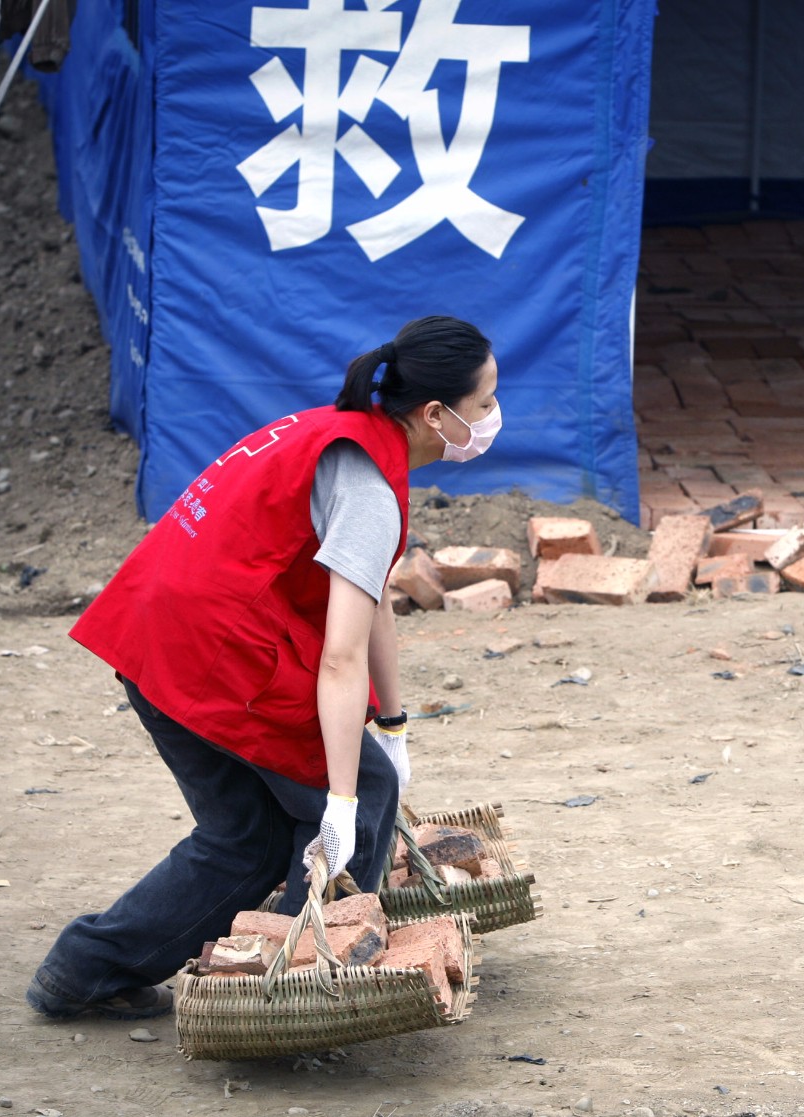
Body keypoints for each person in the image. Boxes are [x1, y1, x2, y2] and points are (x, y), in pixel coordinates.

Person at [25, 315, 502, 1021]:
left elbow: (371, 602)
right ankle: (307, 996)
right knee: (362, 790)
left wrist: (395, 724)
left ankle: (86, 969)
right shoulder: (368, 488)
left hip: (157, 631)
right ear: (436, 414)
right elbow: (340, 657)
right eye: (485, 402)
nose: (493, 415)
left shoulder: (338, 432)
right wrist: (346, 798)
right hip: (210, 652)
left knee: (246, 839)